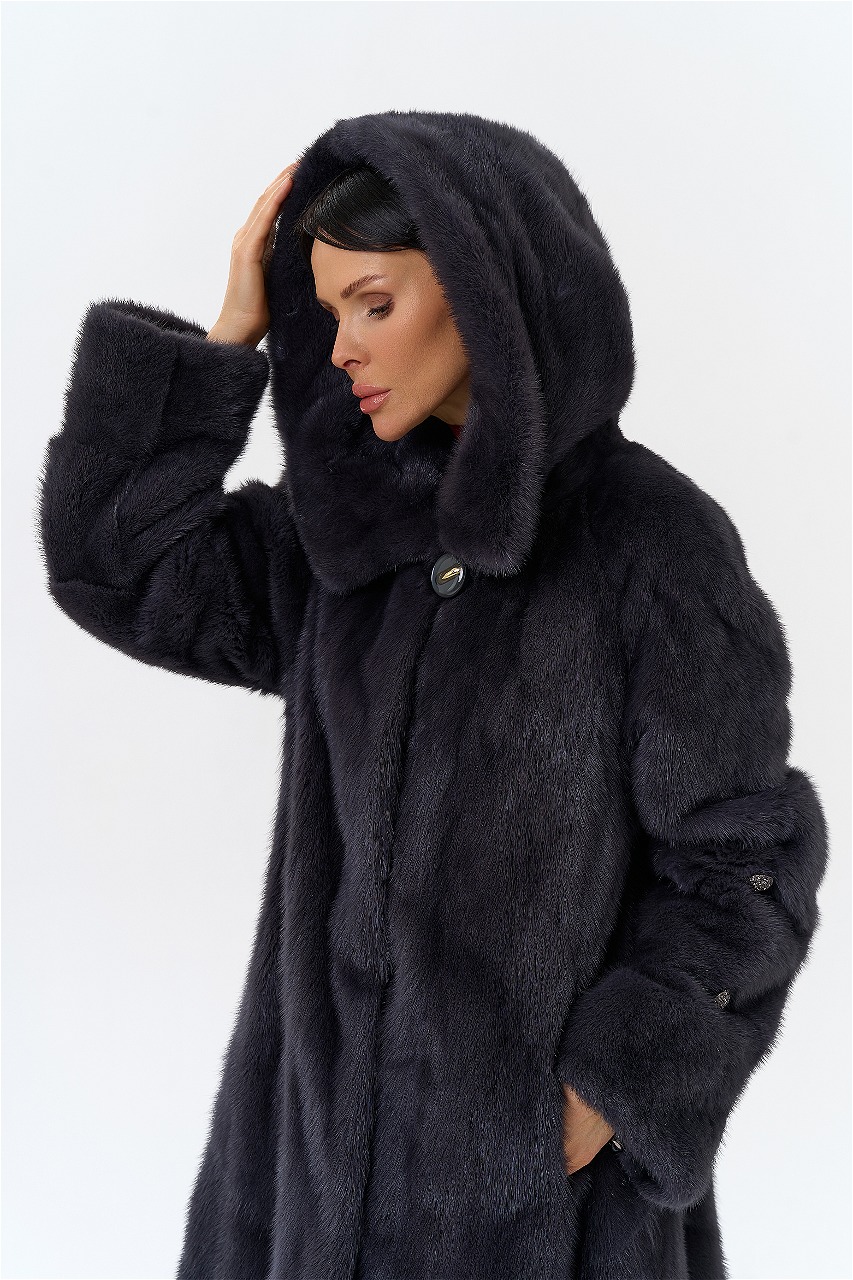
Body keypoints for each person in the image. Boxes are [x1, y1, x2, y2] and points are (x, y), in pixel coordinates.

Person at [37, 110, 828, 1280]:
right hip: (306, 1182)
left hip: (537, 1213)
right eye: (323, 311)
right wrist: (228, 337)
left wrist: (618, 1083)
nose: (340, 348)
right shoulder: (342, 537)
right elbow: (122, 570)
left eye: (373, 303)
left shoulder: (649, 545)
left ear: (484, 291)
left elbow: (743, 855)